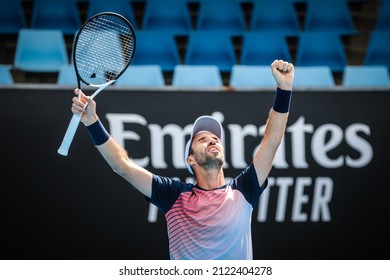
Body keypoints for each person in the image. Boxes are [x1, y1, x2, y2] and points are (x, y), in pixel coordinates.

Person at [70, 59, 294, 260]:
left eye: (216, 138)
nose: (213, 141)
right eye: (203, 139)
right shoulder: (173, 195)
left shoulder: (244, 190)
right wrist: (92, 121)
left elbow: (271, 141)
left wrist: (284, 89)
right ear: (191, 159)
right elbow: (123, 166)